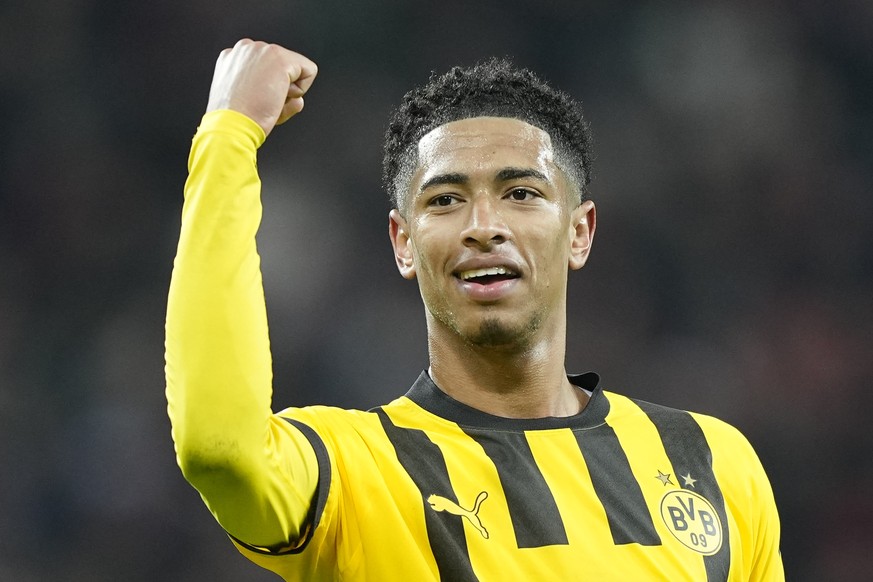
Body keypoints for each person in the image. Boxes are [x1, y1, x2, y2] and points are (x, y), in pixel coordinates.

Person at [165, 39, 784, 581]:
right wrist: (228, 136)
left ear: (580, 233)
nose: (483, 226)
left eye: (520, 193)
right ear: (403, 243)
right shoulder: (357, 472)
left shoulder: (712, 462)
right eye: (445, 200)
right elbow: (220, 448)